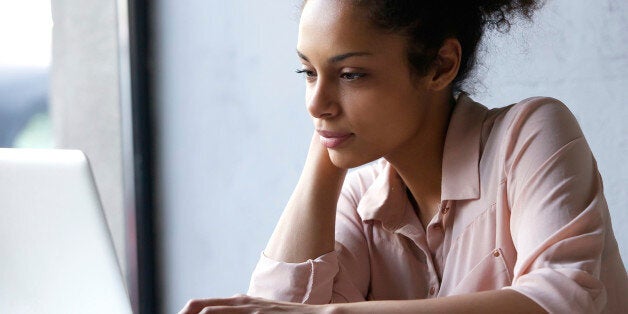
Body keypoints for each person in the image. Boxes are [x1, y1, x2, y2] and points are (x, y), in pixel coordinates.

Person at [180, 0, 628, 313]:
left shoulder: (530, 134)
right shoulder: (360, 195)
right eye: (308, 71)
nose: (315, 102)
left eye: (351, 74)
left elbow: (564, 301)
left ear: (439, 65)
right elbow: (277, 308)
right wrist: (326, 147)